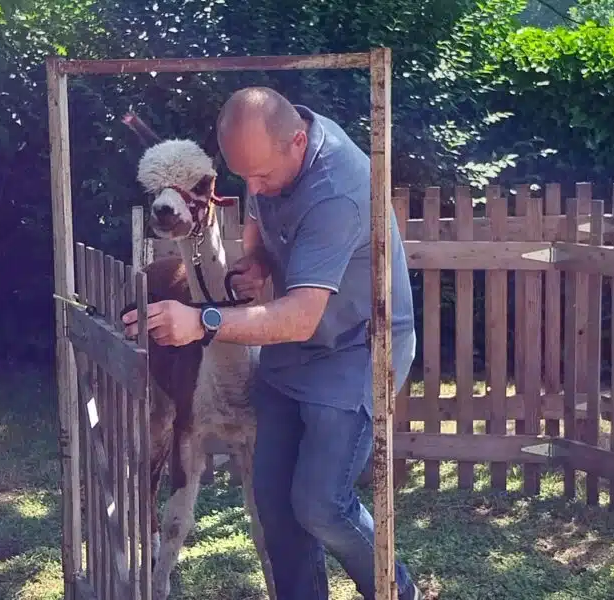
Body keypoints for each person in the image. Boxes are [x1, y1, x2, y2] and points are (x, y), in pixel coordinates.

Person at [123, 87, 422, 600]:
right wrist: (258, 261)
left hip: (355, 349)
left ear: (298, 142)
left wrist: (203, 321)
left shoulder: (337, 194)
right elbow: (260, 221)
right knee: (274, 507)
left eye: (260, 176)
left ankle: (398, 592)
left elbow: (302, 317)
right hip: (291, 345)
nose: (253, 188)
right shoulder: (276, 146)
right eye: (243, 177)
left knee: (320, 506)